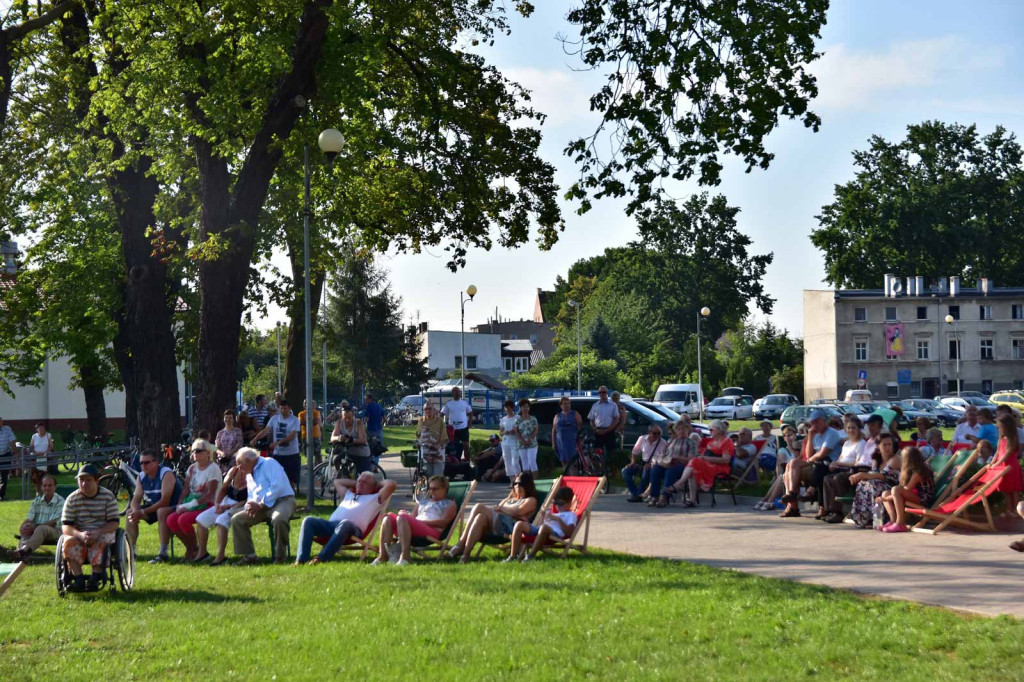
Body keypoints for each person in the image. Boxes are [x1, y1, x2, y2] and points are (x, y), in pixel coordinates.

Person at [295, 472, 397, 565]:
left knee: (345, 523)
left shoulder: (376, 498)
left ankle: (322, 558)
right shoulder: (348, 494)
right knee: (308, 520)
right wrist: (358, 483)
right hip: (331, 526)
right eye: (359, 481)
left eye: (365, 483)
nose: (360, 483)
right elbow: (337, 481)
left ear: (373, 487)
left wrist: (376, 485)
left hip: (352, 530)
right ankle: (301, 560)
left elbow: (392, 484)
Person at [448, 472, 538, 562]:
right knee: (480, 517)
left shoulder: (530, 500)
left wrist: (502, 508)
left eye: (521, 484)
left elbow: (517, 511)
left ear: (527, 485)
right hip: (497, 525)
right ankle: (465, 555)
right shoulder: (509, 499)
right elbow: (499, 510)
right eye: (515, 483)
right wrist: (504, 509)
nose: (517, 486)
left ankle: (460, 544)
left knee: (479, 507)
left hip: (509, 528)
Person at [231, 447, 296, 565]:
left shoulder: (269, 463)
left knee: (279, 518)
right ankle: (250, 556)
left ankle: (280, 557)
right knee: (237, 519)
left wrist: (261, 504)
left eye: (240, 464)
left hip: (283, 500)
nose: (239, 469)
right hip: (262, 506)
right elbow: (251, 495)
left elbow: (278, 486)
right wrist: (250, 505)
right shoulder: (249, 474)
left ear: (248, 460)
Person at [60, 464, 119, 591]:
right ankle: (78, 578)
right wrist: (80, 535)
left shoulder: (108, 497)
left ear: (97, 480)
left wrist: (98, 532)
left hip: (103, 529)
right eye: (81, 480)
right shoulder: (72, 499)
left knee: (103, 542)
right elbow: (66, 526)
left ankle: (96, 576)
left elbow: (114, 523)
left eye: (88, 480)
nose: (84, 483)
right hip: (80, 532)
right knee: (68, 542)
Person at [375, 475, 457, 565]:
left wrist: (420, 522)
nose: (431, 491)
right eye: (430, 489)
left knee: (402, 517)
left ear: (444, 489)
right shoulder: (423, 501)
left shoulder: (449, 504)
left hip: (432, 531)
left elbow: (443, 523)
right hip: (414, 527)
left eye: (435, 489)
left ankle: (405, 557)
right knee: (388, 517)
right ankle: (382, 555)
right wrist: (407, 515)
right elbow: (413, 517)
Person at [778, 409, 842, 519]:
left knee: (793, 466)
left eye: (817, 422)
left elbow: (822, 454)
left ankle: (792, 504)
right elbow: (808, 454)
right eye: (812, 423)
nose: (814, 425)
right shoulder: (815, 435)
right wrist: (810, 436)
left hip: (827, 465)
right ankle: (792, 498)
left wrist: (809, 460)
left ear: (823, 421)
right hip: (815, 465)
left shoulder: (831, 433)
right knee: (789, 467)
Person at [165, 440, 222, 561]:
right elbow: (185, 489)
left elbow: (210, 494)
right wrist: (180, 504)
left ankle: (198, 550)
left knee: (183, 519)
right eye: (193, 451)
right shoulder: (192, 468)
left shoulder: (213, 468)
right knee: (171, 520)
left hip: (209, 504)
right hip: (193, 503)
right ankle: (190, 548)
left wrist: (190, 505)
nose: (195, 453)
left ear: (208, 453)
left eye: (198, 450)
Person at [126, 448, 183, 564]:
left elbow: (165, 501)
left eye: (146, 462)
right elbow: (135, 499)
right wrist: (136, 511)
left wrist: (142, 512)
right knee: (129, 513)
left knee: (161, 511)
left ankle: (163, 553)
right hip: (156, 508)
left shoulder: (166, 473)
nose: (143, 465)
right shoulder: (141, 477)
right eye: (141, 463)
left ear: (156, 462)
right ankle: (131, 551)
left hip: (175, 507)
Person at [664, 420, 734, 508]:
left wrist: (705, 458)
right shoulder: (712, 442)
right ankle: (692, 500)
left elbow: (726, 460)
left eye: (711, 430)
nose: (710, 432)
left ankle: (679, 484)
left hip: (720, 467)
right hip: (708, 465)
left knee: (694, 462)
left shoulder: (726, 442)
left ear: (719, 430)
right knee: (693, 467)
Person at [820, 417, 874, 523]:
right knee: (827, 478)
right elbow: (840, 458)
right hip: (840, 469)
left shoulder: (861, 443)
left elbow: (857, 463)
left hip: (853, 471)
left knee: (836, 478)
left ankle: (838, 512)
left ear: (859, 429)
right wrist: (834, 463)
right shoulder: (846, 443)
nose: (851, 430)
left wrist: (839, 463)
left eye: (853, 428)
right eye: (848, 428)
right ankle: (830, 510)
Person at [195, 464, 248, 566]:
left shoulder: (253, 474)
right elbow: (223, 489)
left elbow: (249, 500)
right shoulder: (233, 471)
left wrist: (228, 506)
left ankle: (221, 556)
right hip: (226, 501)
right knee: (201, 519)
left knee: (221, 520)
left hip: (242, 505)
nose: (240, 466)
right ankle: (203, 553)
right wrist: (217, 504)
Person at [509, 486, 577, 563]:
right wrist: (543, 516)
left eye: (561, 503)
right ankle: (512, 556)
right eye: (556, 503)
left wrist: (558, 519)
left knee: (544, 527)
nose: (558, 506)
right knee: (519, 524)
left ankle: (531, 556)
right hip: (541, 530)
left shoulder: (571, 515)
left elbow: (570, 532)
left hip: (554, 533)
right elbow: (541, 525)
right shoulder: (554, 513)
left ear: (569, 502)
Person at [847, 433, 901, 528]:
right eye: (884, 445)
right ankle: (864, 518)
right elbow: (872, 474)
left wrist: (862, 474)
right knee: (863, 484)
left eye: (889, 444)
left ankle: (878, 519)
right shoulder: (876, 459)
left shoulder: (895, 459)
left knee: (874, 485)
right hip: (879, 484)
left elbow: (883, 476)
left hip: (893, 487)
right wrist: (863, 477)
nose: (887, 447)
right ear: (878, 446)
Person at [878, 446, 935, 532]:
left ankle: (900, 523)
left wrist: (885, 499)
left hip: (924, 499)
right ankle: (892, 521)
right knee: (885, 493)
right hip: (915, 495)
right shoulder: (911, 469)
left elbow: (906, 489)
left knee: (895, 490)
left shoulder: (920, 471)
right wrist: (885, 497)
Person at [15, 474, 65, 560]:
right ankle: (19, 554)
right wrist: (23, 527)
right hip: (37, 530)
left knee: (41, 528)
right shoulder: (36, 501)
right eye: (45, 485)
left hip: (56, 531)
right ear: (41, 487)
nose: (47, 488)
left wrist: (34, 527)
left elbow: (53, 522)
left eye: (50, 485)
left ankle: (23, 551)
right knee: (27, 529)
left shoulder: (60, 502)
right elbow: (29, 519)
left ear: (55, 487)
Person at [252, 399, 302, 487]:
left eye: (285, 408)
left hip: (291, 453)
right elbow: (265, 430)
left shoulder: (295, 420)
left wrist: (277, 443)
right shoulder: (274, 418)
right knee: (276, 477)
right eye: (281, 408)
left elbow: (292, 436)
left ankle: (291, 496)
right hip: (278, 454)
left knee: (291, 479)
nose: (283, 411)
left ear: (289, 408)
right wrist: (255, 439)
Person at [650, 420, 697, 507]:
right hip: (668, 463)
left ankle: (664, 497)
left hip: (683, 466)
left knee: (671, 471)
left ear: (688, 430)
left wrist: (677, 458)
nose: (681, 431)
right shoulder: (671, 441)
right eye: (678, 429)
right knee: (655, 469)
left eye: (683, 429)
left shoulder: (690, 442)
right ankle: (654, 496)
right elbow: (664, 453)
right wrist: (661, 459)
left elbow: (691, 460)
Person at [754, 425, 799, 511]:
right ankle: (767, 501)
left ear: (795, 436)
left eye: (791, 434)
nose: (788, 437)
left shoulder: (799, 448)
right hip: (787, 475)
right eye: (786, 435)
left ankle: (767, 501)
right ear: (784, 438)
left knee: (781, 477)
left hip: (796, 475)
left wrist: (796, 446)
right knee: (782, 477)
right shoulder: (782, 450)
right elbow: (783, 464)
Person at [621, 424, 667, 503]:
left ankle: (639, 494)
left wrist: (652, 463)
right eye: (654, 433)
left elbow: (663, 457)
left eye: (659, 433)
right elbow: (635, 452)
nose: (657, 435)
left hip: (655, 465)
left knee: (646, 471)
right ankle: (635, 493)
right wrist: (633, 462)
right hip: (643, 463)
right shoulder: (642, 439)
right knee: (625, 471)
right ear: (649, 432)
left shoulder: (663, 442)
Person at [992, 414, 1023, 518]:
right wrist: (992, 463)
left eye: (1000, 426)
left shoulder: (1011, 438)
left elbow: (1008, 453)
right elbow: (997, 452)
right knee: (1005, 489)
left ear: (1007, 426)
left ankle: (1017, 511)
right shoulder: (1001, 438)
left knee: (1014, 490)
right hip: (1001, 466)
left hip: (1010, 466)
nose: (998, 428)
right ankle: (1009, 510)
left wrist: (996, 463)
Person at [413, 403, 447, 477]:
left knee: (437, 476)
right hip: (424, 454)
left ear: (434, 410)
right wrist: (418, 443)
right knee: (427, 475)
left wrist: (437, 446)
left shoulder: (440, 421)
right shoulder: (421, 421)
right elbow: (418, 435)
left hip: (437, 453)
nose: (427, 411)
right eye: (425, 409)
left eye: (429, 409)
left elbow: (444, 438)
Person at [441, 387, 473, 460]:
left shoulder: (464, 403)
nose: (458, 393)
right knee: (453, 447)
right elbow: (441, 414)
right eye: (455, 392)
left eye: (459, 392)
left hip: (463, 428)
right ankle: (454, 462)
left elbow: (470, 414)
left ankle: (467, 462)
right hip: (452, 430)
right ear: (452, 393)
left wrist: (469, 424)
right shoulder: (449, 404)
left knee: (466, 446)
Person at [552, 396, 582, 470]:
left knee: (572, 462)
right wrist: (554, 443)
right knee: (564, 462)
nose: (567, 405)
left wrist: (580, 440)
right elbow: (554, 430)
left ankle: (573, 478)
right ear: (561, 405)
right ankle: (566, 476)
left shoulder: (575, 414)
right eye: (565, 404)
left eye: (568, 403)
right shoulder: (557, 416)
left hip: (572, 441)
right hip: (561, 443)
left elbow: (580, 427)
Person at [588, 386, 619, 455]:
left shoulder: (613, 405)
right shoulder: (595, 406)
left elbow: (616, 420)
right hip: (598, 432)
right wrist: (595, 429)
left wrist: (607, 430)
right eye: (600, 392)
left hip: (609, 432)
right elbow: (591, 420)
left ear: (607, 393)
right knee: (597, 454)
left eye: (604, 392)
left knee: (611, 453)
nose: (602, 394)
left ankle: (610, 465)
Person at [515, 399, 540, 477]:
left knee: (532, 461)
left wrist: (530, 439)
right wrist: (522, 440)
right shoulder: (517, 420)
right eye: (523, 407)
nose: (525, 409)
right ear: (520, 408)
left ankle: (535, 482)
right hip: (521, 444)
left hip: (532, 444)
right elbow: (516, 431)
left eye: (527, 407)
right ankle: (526, 482)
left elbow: (536, 429)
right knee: (524, 463)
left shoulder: (533, 418)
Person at [28, 422, 55, 495]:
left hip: (45, 457)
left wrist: (45, 452)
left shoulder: (48, 435)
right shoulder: (34, 436)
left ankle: (46, 491)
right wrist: (36, 453)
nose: (41, 429)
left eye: (43, 428)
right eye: (39, 428)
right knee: (36, 476)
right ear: (37, 429)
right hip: (36, 458)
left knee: (45, 476)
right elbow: (31, 447)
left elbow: (51, 446)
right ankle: (38, 492)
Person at [498, 400, 521, 481]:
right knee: (507, 462)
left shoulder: (517, 418)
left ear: (512, 408)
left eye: (509, 407)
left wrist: (515, 431)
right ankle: (512, 481)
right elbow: (501, 432)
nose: (507, 409)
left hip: (515, 442)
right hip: (505, 443)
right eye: (505, 407)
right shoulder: (503, 419)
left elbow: (521, 429)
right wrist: (506, 432)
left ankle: (518, 479)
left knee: (515, 461)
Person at [297, 399, 323, 465]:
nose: (307, 405)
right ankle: (310, 468)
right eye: (305, 403)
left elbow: (316, 421)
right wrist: (311, 421)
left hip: (315, 435)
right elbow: (301, 422)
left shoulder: (316, 412)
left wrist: (307, 422)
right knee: (307, 453)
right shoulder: (301, 414)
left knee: (318, 453)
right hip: (305, 436)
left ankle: (319, 467)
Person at [0, 416, 16, 501]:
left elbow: (12, 440)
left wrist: (16, 452)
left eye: (1, 422)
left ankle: (1, 496)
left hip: (6, 454)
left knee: (4, 476)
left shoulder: (7, 429)